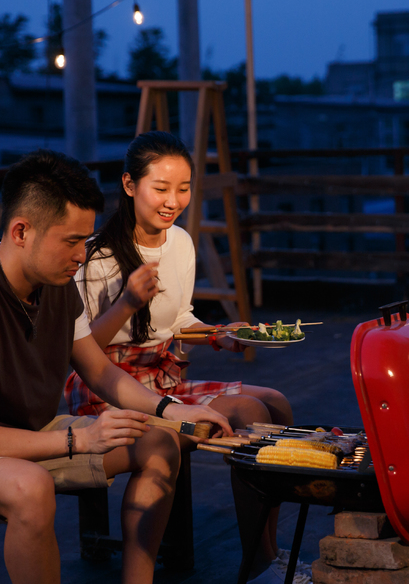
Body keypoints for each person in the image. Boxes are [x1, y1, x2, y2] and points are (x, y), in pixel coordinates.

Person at [0, 149, 231, 584]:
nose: (81, 254)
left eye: (85, 240)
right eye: (71, 240)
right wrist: (81, 437)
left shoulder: (53, 284)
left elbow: (100, 371)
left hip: (26, 437)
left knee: (160, 444)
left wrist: (174, 412)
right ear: (21, 231)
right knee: (29, 487)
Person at [63, 131, 304, 584]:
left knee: (276, 404)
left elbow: (178, 322)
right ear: (130, 185)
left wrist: (218, 335)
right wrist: (125, 304)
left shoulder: (181, 243)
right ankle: (261, 566)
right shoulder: (95, 257)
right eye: (161, 188)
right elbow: (84, 351)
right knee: (251, 414)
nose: (173, 200)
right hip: (104, 387)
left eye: (184, 188)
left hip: (162, 377)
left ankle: (265, 558)